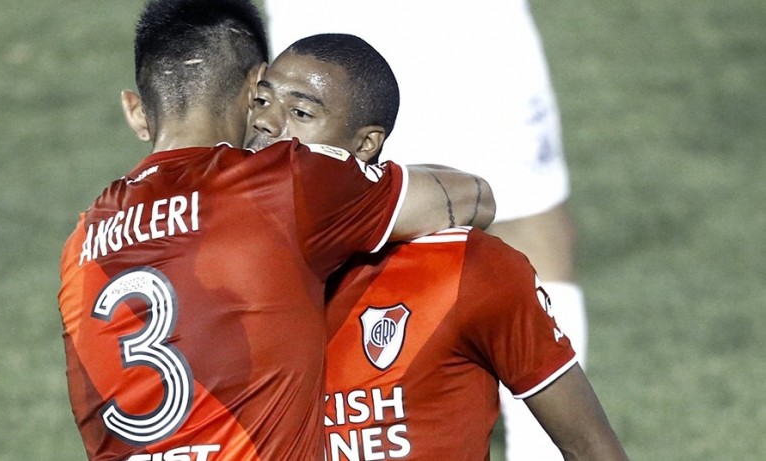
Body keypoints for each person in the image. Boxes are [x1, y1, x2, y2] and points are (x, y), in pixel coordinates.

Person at [57, 1, 496, 460]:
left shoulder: (82, 242)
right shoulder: (285, 186)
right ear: (255, 87)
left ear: (139, 109)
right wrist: (355, 176)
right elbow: (475, 198)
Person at [244, 33, 628, 460]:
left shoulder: (464, 269)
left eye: (299, 112)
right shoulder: (206, 258)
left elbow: (591, 447)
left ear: (365, 145)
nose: (266, 122)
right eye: (261, 102)